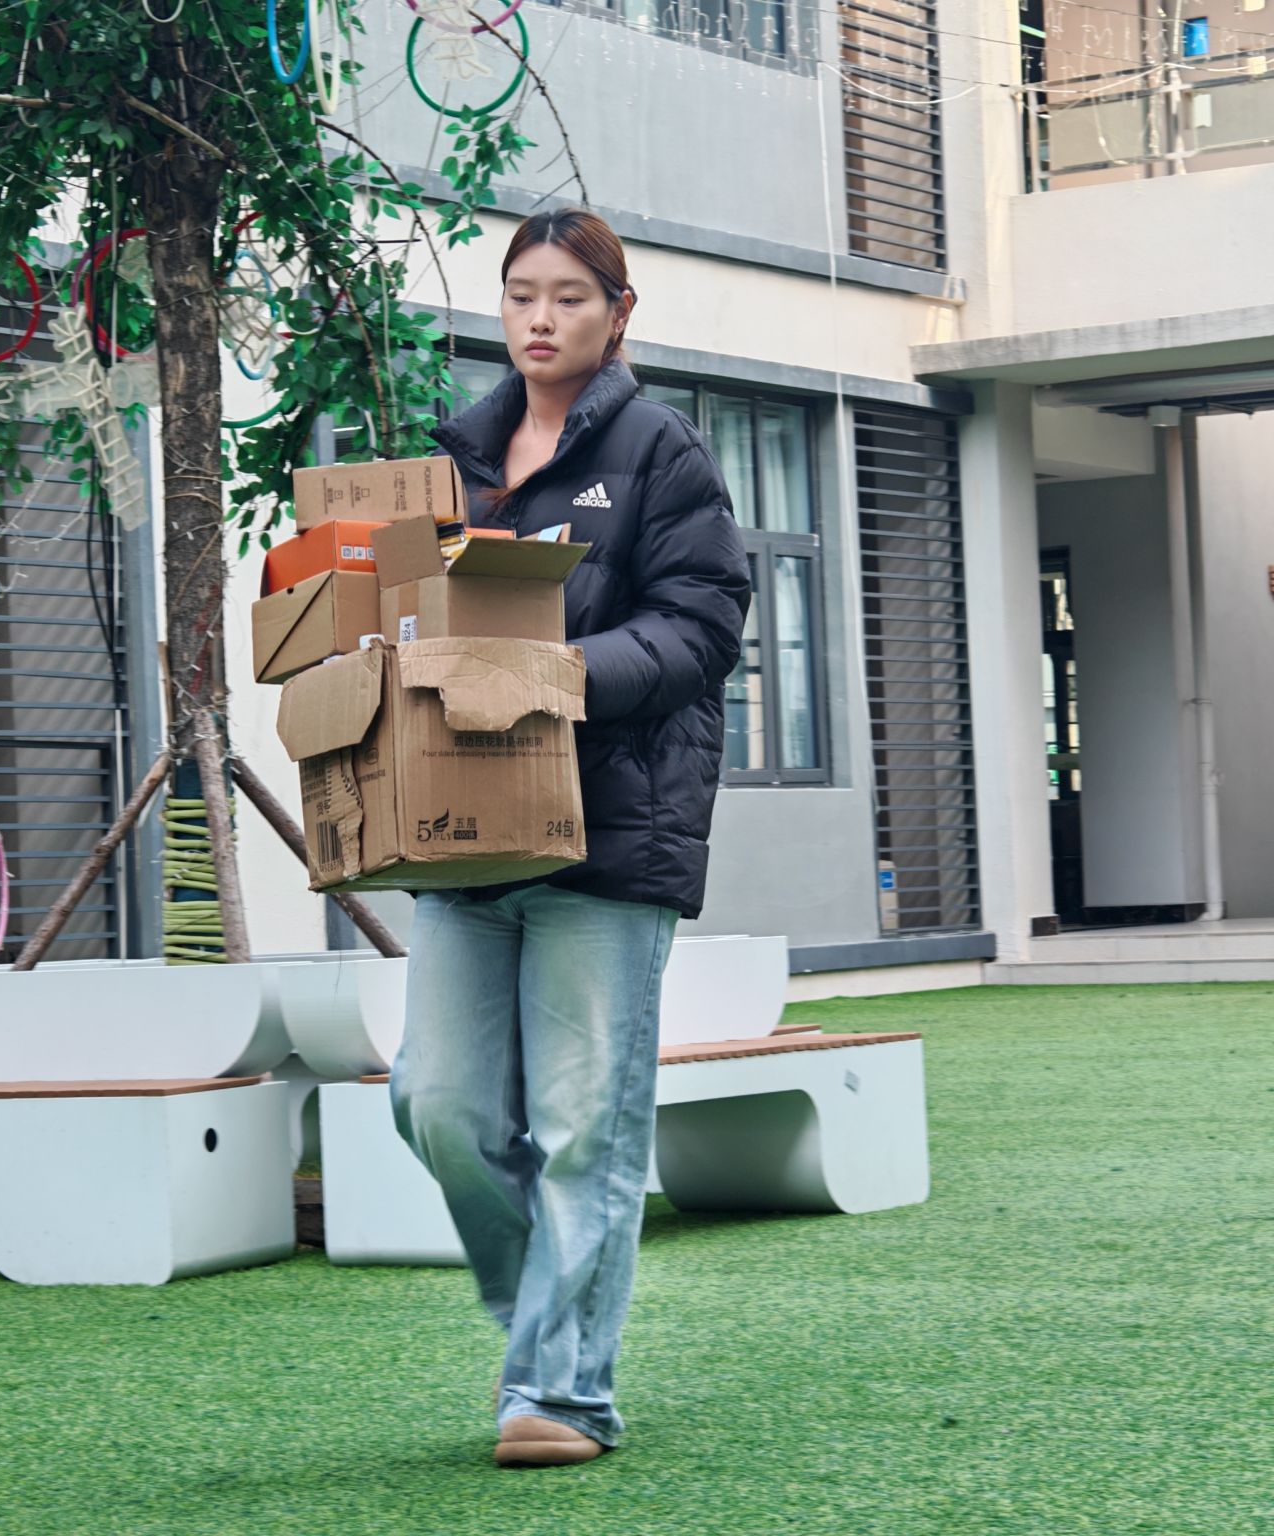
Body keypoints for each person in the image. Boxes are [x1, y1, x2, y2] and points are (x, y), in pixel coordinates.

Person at [388, 209, 751, 1468]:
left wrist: (556, 672)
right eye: (520, 295)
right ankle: (541, 1327)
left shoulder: (658, 451)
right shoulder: (454, 462)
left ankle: (560, 1392)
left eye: (568, 297)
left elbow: (701, 626)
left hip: (608, 833)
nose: (540, 318)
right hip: (461, 836)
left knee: (585, 1122)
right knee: (436, 1105)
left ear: (616, 313)